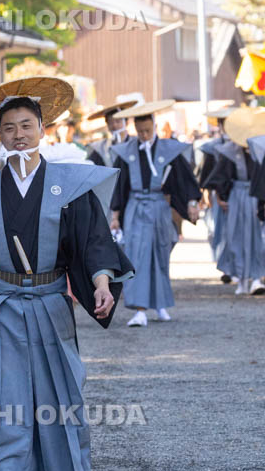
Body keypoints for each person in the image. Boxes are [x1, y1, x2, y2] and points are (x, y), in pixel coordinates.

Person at [0, 77, 133, 471]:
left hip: (50, 302)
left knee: (54, 397)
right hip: (1, 304)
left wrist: (102, 283)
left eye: (26, 125)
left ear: (43, 129)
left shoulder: (70, 186)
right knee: (4, 398)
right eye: (9, 128)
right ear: (0, 135)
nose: (18, 135)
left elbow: (93, 243)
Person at [108, 100, 201, 327]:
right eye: (139, 132)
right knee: (136, 256)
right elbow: (119, 186)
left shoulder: (169, 149)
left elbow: (184, 179)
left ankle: (160, 304)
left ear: (154, 125)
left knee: (161, 255)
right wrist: (115, 216)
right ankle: (139, 309)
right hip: (136, 207)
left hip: (159, 207)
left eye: (147, 130)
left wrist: (191, 202)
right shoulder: (127, 151)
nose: (144, 135)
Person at [202, 107, 265, 295]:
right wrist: (220, 197)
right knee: (236, 237)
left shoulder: (260, 149)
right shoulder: (229, 150)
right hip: (237, 196)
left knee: (256, 239)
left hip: (255, 197)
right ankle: (241, 279)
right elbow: (220, 176)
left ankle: (256, 278)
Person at [199, 107, 237, 282]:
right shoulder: (213, 147)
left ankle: (235, 268)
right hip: (217, 194)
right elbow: (206, 173)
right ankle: (226, 267)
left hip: (237, 193)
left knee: (236, 232)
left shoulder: (241, 145)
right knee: (219, 232)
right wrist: (207, 194)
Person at [84, 100, 137, 166]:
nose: (114, 125)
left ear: (126, 122)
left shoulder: (136, 143)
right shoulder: (101, 148)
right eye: (110, 122)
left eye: (118, 121)